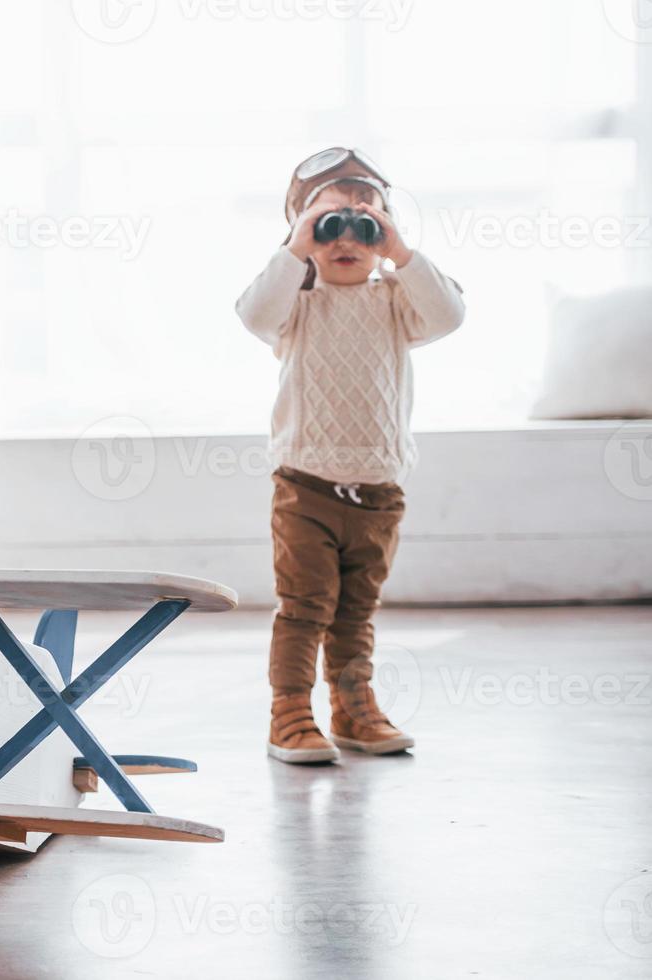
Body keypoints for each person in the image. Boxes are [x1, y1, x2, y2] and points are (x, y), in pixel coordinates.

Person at [235, 147, 466, 763]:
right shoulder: (295, 306)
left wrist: (402, 254)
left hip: (379, 491)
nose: (346, 237)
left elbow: (448, 314)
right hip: (306, 486)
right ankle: (289, 714)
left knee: (356, 612)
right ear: (303, 233)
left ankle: (353, 708)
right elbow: (252, 312)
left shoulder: (396, 300)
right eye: (328, 223)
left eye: (364, 224)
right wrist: (296, 250)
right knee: (305, 608)